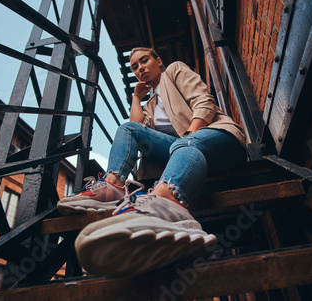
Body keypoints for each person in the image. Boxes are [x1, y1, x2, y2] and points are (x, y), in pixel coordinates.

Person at [57, 47, 247, 278]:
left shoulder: (175, 70)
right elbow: (137, 125)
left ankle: (168, 203)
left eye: (144, 61)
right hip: (184, 155)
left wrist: (189, 136)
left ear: (158, 60)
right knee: (127, 128)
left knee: (183, 144)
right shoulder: (150, 103)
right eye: (134, 67)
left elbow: (204, 103)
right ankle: (113, 185)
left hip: (218, 139)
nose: (140, 69)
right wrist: (137, 97)